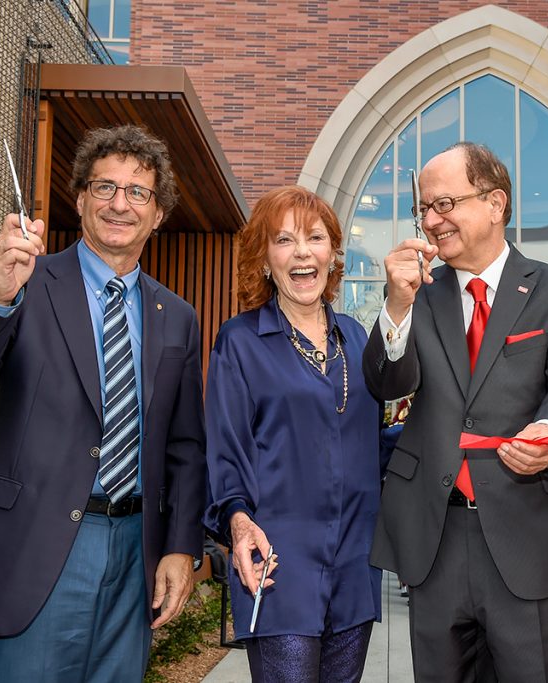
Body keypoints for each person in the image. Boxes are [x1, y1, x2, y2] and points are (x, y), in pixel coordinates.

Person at [0, 125, 206, 681]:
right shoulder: (23, 280)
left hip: (133, 555)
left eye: (137, 192)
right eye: (104, 187)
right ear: (79, 199)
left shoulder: (176, 316)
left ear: (158, 214)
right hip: (33, 547)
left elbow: (185, 445)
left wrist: (180, 547)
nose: (118, 204)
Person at [363, 142, 548, 682]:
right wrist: (396, 306)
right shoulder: (416, 294)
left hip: (534, 538)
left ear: (495, 203)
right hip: (436, 541)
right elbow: (384, 384)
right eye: (423, 209)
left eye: (444, 204)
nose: (430, 220)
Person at [204, 186, 383, 682]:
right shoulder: (239, 341)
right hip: (278, 564)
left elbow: (378, 440)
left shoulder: (358, 337)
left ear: (331, 254)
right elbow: (226, 451)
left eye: (315, 238)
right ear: (265, 259)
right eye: (284, 240)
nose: (302, 252)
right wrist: (237, 522)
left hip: (355, 564)